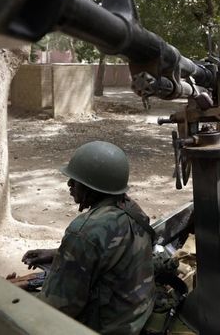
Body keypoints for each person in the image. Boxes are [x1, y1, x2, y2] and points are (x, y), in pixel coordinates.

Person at [21, 141, 155, 334]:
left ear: (91, 187)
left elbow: (58, 307)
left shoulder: (84, 231)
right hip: (136, 314)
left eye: (75, 181)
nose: (69, 184)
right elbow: (110, 251)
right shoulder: (132, 209)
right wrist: (58, 254)